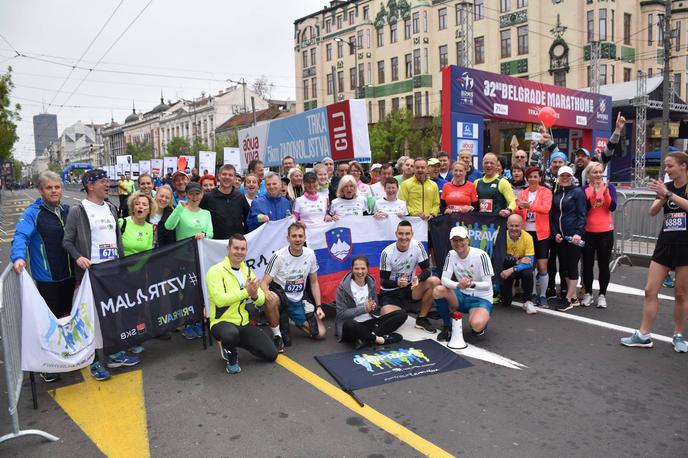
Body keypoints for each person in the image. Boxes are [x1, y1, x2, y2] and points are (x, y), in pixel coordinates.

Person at [63, 169, 139, 381]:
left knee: (112, 315)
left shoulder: (111, 208)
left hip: (112, 271)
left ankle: (113, 354)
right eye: (103, 182)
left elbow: (117, 240)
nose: (108, 185)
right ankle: (95, 362)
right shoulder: (78, 211)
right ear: (90, 185)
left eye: (107, 181)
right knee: (93, 320)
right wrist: (79, 258)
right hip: (92, 274)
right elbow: (67, 241)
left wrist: (122, 264)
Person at [11, 171, 75, 383]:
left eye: (57, 187)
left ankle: (67, 356)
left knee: (68, 318)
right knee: (50, 323)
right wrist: (18, 257)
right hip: (47, 278)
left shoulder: (68, 210)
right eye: (49, 187)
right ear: (41, 190)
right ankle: (48, 365)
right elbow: (20, 235)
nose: (54, 191)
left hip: (70, 276)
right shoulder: (33, 212)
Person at [621, 152, 688, 353]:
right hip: (665, 243)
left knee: (681, 294)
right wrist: (661, 196)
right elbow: (651, 212)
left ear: (683, 166)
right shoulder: (666, 188)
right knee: (650, 290)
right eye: (666, 167)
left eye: (670, 166)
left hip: (685, 245)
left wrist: (668, 195)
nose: (666, 170)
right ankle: (644, 334)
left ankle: (678, 334)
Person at [206, 234, 278, 374]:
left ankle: (234, 342)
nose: (239, 252)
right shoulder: (215, 271)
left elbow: (261, 300)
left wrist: (255, 294)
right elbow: (220, 300)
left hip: (243, 323)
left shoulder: (248, 271)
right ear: (228, 249)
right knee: (230, 334)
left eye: (243, 249)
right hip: (222, 322)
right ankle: (230, 354)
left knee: (271, 355)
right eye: (236, 248)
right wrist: (246, 292)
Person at [262, 222, 325, 347]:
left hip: (298, 300)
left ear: (305, 238)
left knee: (320, 334)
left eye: (300, 236)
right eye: (294, 236)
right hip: (281, 299)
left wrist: (318, 306)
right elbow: (263, 284)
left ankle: (294, 319)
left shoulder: (310, 254)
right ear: (288, 238)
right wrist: (268, 295)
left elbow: (314, 282)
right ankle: (277, 334)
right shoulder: (278, 256)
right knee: (271, 300)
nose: (297, 239)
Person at [165, 181, 213, 339]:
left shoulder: (206, 213)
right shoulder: (181, 210)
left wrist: (204, 235)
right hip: (183, 258)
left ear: (202, 194)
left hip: (200, 257)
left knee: (200, 290)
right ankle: (188, 323)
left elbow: (210, 233)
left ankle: (199, 320)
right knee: (186, 292)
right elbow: (169, 226)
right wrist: (179, 208)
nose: (194, 196)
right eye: (191, 193)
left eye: (197, 193)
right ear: (186, 194)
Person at [433, 226, 494, 339]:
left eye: (461, 239)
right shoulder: (451, 254)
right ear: (451, 241)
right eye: (455, 240)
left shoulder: (481, 255)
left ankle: (481, 320)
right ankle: (448, 327)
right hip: (461, 294)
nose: (458, 243)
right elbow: (444, 279)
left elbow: (488, 285)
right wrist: (458, 285)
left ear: (467, 239)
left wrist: (472, 284)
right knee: (438, 290)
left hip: (480, 299)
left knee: (476, 326)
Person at [379, 221, 440, 333]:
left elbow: (427, 270)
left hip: (410, 289)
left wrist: (418, 279)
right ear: (396, 234)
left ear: (412, 234)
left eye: (407, 234)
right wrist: (397, 282)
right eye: (401, 234)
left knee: (434, 281)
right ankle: (400, 309)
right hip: (391, 292)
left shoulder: (417, 245)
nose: (404, 237)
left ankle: (421, 319)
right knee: (387, 318)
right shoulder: (387, 252)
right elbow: (383, 282)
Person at [336, 255, 407, 349]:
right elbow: (341, 314)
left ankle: (367, 338)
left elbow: (375, 307)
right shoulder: (342, 288)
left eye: (363, 268)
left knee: (402, 313)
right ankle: (380, 340)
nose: (360, 272)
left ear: (367, 269)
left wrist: (373, 306)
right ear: (352, 269)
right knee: (349, 324)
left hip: (370, 322)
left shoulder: (371, 283)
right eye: (356, 268)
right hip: (353, 325)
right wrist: (364, 309)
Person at [119, 191, 156, 353]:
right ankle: (121, 340)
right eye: (138, 204)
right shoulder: (122, 223)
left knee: (136, 308)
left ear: (149, 210)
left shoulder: (150, 228)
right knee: (121, 309)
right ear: (133, 206)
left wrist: (136, 268)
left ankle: (133, 339)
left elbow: (148, 251)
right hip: (120, 274)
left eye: (144, 205)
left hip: (139, 274)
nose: (140, 206)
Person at [550, 166, 587, 312]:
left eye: (567, 176)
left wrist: (579, 233)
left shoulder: (578, 192)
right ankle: (573, 297)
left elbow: (582, 215)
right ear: (558, 177)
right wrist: (555, 233)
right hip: (560, 237)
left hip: (573, 236)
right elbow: (553, 216)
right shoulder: (557, 193)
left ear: (571, 177)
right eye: (562, 176)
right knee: (563, 267)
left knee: (572, 266)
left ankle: (568, 299)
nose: (565, 178)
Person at [581, 162, 617, 308]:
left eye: (600, 172)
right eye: (594, 172)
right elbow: (585, 209)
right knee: (587, 266)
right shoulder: (583, 189)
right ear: (588, 174)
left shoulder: (610, 187)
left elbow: (612, 207)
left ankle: (602, 295)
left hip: (605, 232)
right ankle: (588, 293)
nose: (597, 175)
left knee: (603, 265)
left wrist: (605, 193)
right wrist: (594, 194)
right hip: (588, 232)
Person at [515, 167, 552, 307]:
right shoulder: (523, 193)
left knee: (542, 266)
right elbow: (517, 210)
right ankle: (533, 294)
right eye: (530, 176)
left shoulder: (546, 192)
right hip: (526, 232)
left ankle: (542, 296)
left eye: (535, 176)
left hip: (541, 233)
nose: (532, 179)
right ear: (526, 178)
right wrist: (519, 208)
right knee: (529, 265)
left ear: (540, 178)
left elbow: (546, 208)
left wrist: (529, 206)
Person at [201, 164, 250, 239]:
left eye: (230, 175)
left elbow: (248, 218)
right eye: (224, 174)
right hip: (214, 243)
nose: (227, 177)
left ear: (234, 178)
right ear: (218, 176)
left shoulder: (240, 197)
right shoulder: (208, 197)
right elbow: (202, 219)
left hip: (236, 245)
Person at [500, 215, 536, 314]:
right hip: (506, 267)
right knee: (506, 302)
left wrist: (512, 269)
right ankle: (509, 289)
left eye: (517, 226)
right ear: (507, 225)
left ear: (522, 226)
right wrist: (517, 261)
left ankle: (528, 301)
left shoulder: (528, 237)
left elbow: (530, 263)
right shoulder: (500, 236)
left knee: (528, 273)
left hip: (516, 269)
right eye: (511, 225)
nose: (514, 228)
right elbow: (500, 259)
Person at [474, 153, 516, 217]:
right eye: (486, 163)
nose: (488, 165)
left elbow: (513, 201)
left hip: (497, 222)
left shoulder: (503, 182)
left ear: (496, 165)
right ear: (482, 164)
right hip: (480, 221)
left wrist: (509, 210)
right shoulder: (477, 182)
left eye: (492, 163)